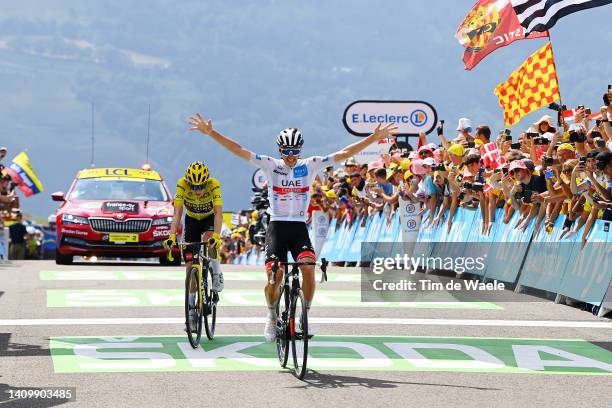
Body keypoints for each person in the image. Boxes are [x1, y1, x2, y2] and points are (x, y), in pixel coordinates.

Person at [189, 113, 397, 342]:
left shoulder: (311, 165)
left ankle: (305, 315)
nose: (290, 156)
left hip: (298, 228)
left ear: (300, 150)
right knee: (274, 277)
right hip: (277, 227)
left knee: (308, 268)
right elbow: (239, 150)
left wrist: (373, 137)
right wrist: (212, 133)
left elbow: (344, 153)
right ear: (280, 151)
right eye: (286, 152)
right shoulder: (271, 165)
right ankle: (270, 315)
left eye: (295, 151)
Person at [164, 161, 225, 331]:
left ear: (207, 182)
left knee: (210, 240)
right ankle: (191, 313)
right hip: (192, 220)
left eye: (201, 187)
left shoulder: (214, 185)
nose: (197, 191)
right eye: (194, 186)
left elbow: (219, 214)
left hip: (209, 219)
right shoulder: (182, 184)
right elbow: (177, 213)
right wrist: (171, 236)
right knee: (190, 267)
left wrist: (217, 236)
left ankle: (216, 271)